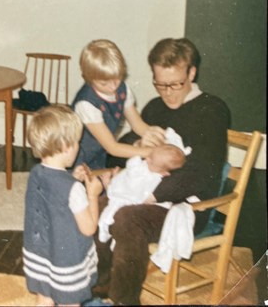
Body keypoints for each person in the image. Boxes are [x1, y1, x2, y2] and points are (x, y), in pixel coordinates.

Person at [94, 38, 230, 305]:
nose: (167, 93)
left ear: (192, 73)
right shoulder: (155, 108)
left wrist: (153, 195)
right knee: (95, 204)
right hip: (144, 196)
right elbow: (115, 152)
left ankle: (124, 299)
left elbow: (203, 172)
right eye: (160, 84)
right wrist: (137, 144)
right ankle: (99, 284)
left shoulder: (212, 110)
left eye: (175, 84)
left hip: (187, 206)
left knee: (126, 217)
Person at [23, 105, 104, 306]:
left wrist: (70, 178)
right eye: (77, 142)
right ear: (67, 147)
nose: (78, 146)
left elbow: (53, 189)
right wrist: (92, 195)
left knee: (45, 296)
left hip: (40, 253)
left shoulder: (36, 173)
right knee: (70, 301)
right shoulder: (74, 190)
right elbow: (88, 228)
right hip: (65, 260)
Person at [71, 39, 164, 170]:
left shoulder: (123, 89)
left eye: (117, 78)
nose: (113, 87)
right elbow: (112, 148)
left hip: (99, 154)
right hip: (76, 158)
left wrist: (155, 135)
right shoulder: (86, 104)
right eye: (104, 83)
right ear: (89, 79)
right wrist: (151, 153)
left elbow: (137, 125)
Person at [98, 141, 187, 245]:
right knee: (104, 206)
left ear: (164, 173)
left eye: (152, 161)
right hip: (122, 191)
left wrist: (112, 184)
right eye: (150, 155)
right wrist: (117, 178)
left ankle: (111, 236)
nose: (147, 159)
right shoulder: (144, 166)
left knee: (113, 214)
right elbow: (129, 173)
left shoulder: (154, 179)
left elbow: (134, 194)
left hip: (132, 202)